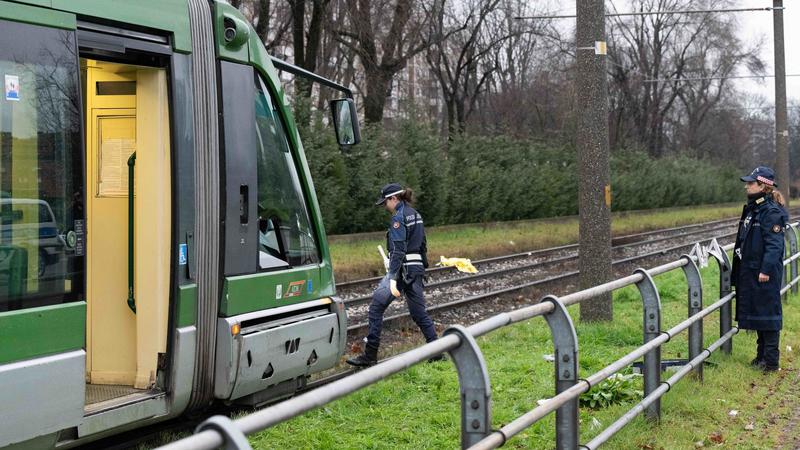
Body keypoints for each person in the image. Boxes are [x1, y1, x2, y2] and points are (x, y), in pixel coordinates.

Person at [347, 183, 441, 366]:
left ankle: (370, 355)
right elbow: (423, 244)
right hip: (415, 269)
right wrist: (422, 268)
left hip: (402, 271)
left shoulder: (398, 217)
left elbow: (398, 250)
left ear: (394, 198)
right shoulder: (416, 215)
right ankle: (437, 351)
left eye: (385, 202)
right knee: (418, 313)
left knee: (376, 308)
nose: (384, 206)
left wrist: (392, 275)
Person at [732, 166, 789, 372]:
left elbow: (775, 245)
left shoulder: (770, 212)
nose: (747, 186)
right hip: (752, 271)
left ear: (763, 186)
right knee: (759, 313)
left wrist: (765, 270)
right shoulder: (755, 208)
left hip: (764, 274)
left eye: (751, 183)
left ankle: (771, 361)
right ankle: (761, 356)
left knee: (769, 315)